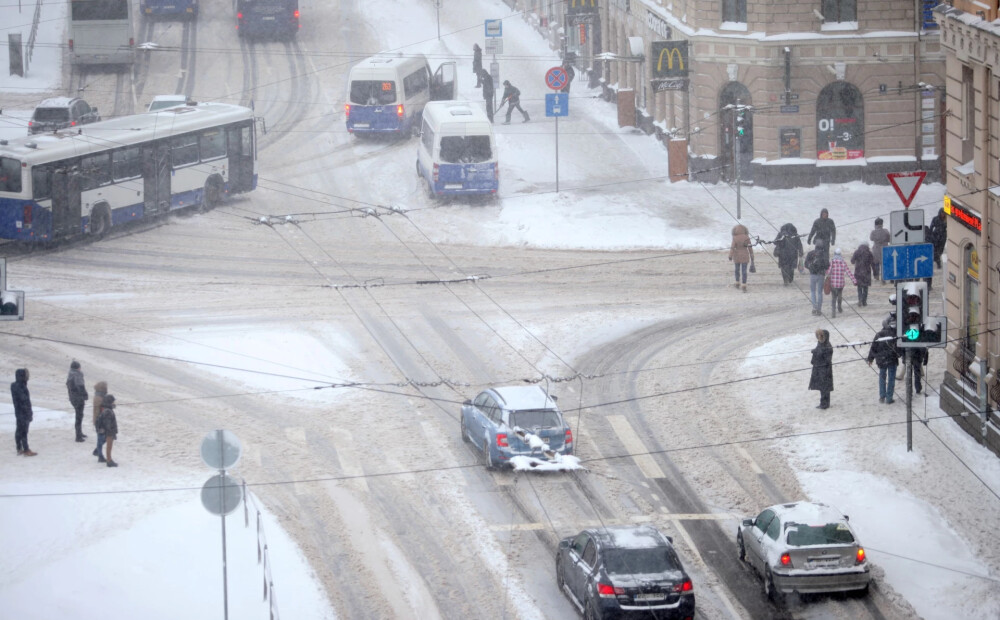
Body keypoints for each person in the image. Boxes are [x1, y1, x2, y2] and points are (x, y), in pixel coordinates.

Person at [867, 318, 900, 404]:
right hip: (892, 359)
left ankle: (882, 396)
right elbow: (899, 347)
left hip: (881, 360)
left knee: (882, 378)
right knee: (891, 379)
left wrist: (870, 359)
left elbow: (873, 347)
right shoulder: (895, 334)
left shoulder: (878, 334)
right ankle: (889, 398)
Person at [11, 368, 36, 456]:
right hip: (23, 412)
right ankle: (26, 449)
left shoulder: (15, 385)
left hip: (19, 412)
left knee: (19, 430)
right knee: (24, 431)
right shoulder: (20, 386)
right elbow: (24, 400)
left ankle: (19, 448)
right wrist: (28, 412)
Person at [825, 248, 857, 317]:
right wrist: (854, 280)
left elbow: (828, 272)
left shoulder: (832, 262)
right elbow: (849, 273)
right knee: (840, 295)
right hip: (840, 284)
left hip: (833, 284)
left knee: (833, 297)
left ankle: (833, 312)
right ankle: (839, 307)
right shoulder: (843, 263)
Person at [809, 329, 834, 409]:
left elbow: (827, 359)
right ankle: (823, 403)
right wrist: (815, 351)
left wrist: (817, 353)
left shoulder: (827, 346)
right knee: (822, 387)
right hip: (819, 369)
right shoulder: (820, 344)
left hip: (824, 370)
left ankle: (825, 404)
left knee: (824, 387)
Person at [804, 240, 830, 315]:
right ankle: (819, 308)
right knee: (819, 292)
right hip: (821, 275)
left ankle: (814, 307)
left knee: (812, 291)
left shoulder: (810, 253)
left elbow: (806, 264)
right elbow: (827, 265)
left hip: (812, 274)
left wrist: (811, 267)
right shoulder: (824, 255)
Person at [66, 360, 89, 442]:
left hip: (73, 398)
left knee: (78, 416)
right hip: (78, 399)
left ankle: (79, 433)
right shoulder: (77, 375)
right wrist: (85, 395)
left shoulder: (70, 374)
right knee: (79, 416)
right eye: (79, 367)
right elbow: (81, 386)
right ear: (77, 368)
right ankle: (78, 436)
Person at [728, 223, 754, 292]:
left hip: (736, 256)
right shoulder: (747, 237)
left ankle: (737, 282)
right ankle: (744, 284)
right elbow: (750, 248)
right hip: (745, 255)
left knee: (737, 270)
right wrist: (752, 256)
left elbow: (732, 248)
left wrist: (730, 256)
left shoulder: (735, 238)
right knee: (744, 271)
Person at [96, 394, 118, 467]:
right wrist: (110, 433)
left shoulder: (107, 409)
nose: (114, 403)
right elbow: (107, 424)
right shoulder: (108, 411)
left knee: (109, 446)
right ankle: (109, 461)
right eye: (113, 402)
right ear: (109, 402)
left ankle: (108, 459)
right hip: (109, 432)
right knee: (109, 446)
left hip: (108, 432)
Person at [851, 242, 875, 307]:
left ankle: (860, 299)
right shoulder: (869, 253)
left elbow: (852, 261)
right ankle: (864, 301)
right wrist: (875, 273)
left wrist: (856, 260)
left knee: (859, 287)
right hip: (866, 272)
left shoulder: (857, 252)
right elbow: (873, 263)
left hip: (858, 272)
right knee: (865, 287)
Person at [870, 217, 890, 282]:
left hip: (876, 249)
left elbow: (871, 238)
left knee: (876, 263)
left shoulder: (873, 232)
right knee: (884, 264)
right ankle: (884, 277)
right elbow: (889, 239)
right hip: (885, 248)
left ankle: (876, 276)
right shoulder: (886, 231)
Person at [92, 380, 108, 462]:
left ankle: (97, 451)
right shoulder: (99, 397)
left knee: (103, 437)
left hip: (100, 420)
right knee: (101, 438)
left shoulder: (100, 396)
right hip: (100, 421)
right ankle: (100, 456)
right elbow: (99, 410)